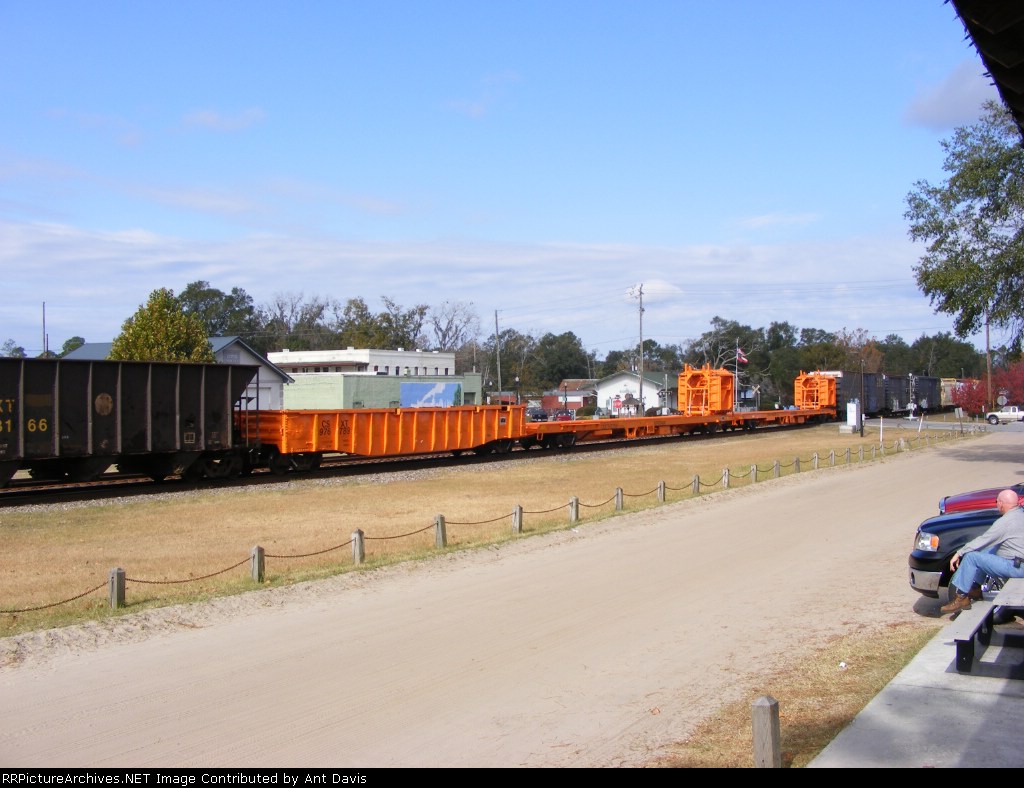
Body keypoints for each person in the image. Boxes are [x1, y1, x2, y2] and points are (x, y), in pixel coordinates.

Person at [940, 488, 1024, 615]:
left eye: (997, 502)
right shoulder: (1020, 514)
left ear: (1001, 503)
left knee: (972, 557)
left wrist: (959, 552)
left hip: (1016, 567)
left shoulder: (1005, 522)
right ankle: (975, 588)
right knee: (988, 550)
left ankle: (961, 598)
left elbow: (984, 539)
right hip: (1018, 562)